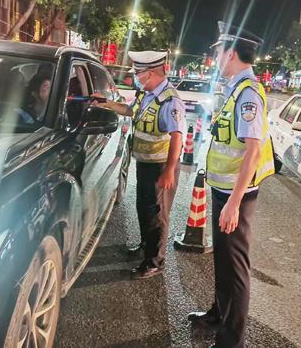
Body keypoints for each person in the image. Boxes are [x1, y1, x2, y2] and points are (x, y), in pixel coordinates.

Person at [188, 21, 275, 348]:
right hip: (224, 190)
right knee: (223, 261)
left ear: (232, 53)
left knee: (236, 270)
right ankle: (218, 315)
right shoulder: (236, 88)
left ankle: (231, 341)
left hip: (236, 195)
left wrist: (234, 203)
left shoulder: (248, 94)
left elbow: (253, 151)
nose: (216, 59)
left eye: (219, 53)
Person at [94, 50, 186, 279]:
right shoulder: (147, 94)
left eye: (137, 73)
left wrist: (169, 171)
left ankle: (155, 261)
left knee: (157, 214)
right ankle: (146, 246)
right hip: (146, 163)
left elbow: (177, 136)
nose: (135, 77)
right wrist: (105, 103)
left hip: (160, 166)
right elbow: (129, 110)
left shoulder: (169, 100)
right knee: (144, 209)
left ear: (150, 73)